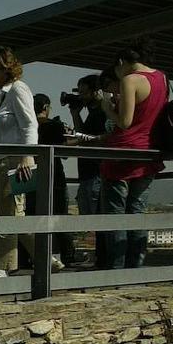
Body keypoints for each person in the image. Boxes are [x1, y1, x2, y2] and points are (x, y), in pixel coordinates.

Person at [0, 46, 53, 277]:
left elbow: (30, 124)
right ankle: (45, 257)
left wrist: (26, 156)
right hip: (3, 159)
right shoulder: (3, 94)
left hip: (14, 160)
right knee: (14, 214)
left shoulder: (18, 89)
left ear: (6, 68)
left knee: (8, 215)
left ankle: (5, 266)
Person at [99, 40, 167, 270]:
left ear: (121, 63)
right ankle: (135, 268)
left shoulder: (129, 80)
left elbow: (125, 122)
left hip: (122, 152)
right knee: (137, 212)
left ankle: (116, 269)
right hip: (148, 152)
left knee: (116, 215)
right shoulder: (161, 78)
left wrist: (108, 108)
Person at [64, 74, 109, 268]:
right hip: (88, 171)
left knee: (99, 219)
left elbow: (90, 138)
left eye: (84, 92)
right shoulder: (93, 112)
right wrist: (75, 114)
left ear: (95, 91)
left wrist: (73, 140)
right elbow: (84, 134)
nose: (81, 96)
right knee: (93, 218)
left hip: (96, 172)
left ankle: (104, 259)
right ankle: (101, 259)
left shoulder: (104, 111)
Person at [34, 93, 75, 265]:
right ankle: (68, 257)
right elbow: (63, 152)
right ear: (46, 107)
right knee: (60, 217)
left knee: (32, 218)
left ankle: (31, 257)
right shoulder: (54, 125)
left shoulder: (27, 126)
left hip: (32, 177)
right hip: (55, 176)